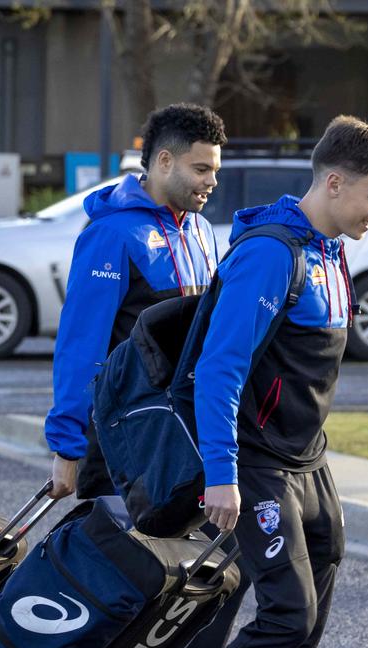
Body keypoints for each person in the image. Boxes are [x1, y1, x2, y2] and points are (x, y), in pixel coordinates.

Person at [182, 116, 368, 648]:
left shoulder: (330, 253)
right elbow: (220, 368)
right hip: (256, 465)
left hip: (308, 462)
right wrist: (221, 473)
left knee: (297, 639)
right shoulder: (270, 255)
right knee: (286, 619)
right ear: (335, 183)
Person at [45, 103, 226, 501]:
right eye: (201, 169)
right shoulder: (110, 234)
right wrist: (67, 446)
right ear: (164, 161)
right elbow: (81, 344)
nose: (212, 181)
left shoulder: (201, 229)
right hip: (120, 434)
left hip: (182, 430)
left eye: (214, 170)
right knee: (111, 556)